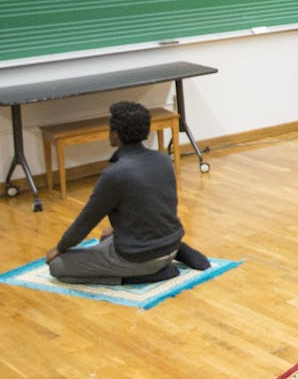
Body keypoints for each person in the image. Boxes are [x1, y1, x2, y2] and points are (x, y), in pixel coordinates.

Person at [45, 101, 208, 285]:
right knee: (108, 235)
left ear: (115, 135)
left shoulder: (114, 175)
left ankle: (148, 275)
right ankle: (178, 251)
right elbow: (156, 208)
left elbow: (85, 223)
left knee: (58, 267)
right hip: (171, 243)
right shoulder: (163, 159)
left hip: (139, 259)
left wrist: (60, 248)